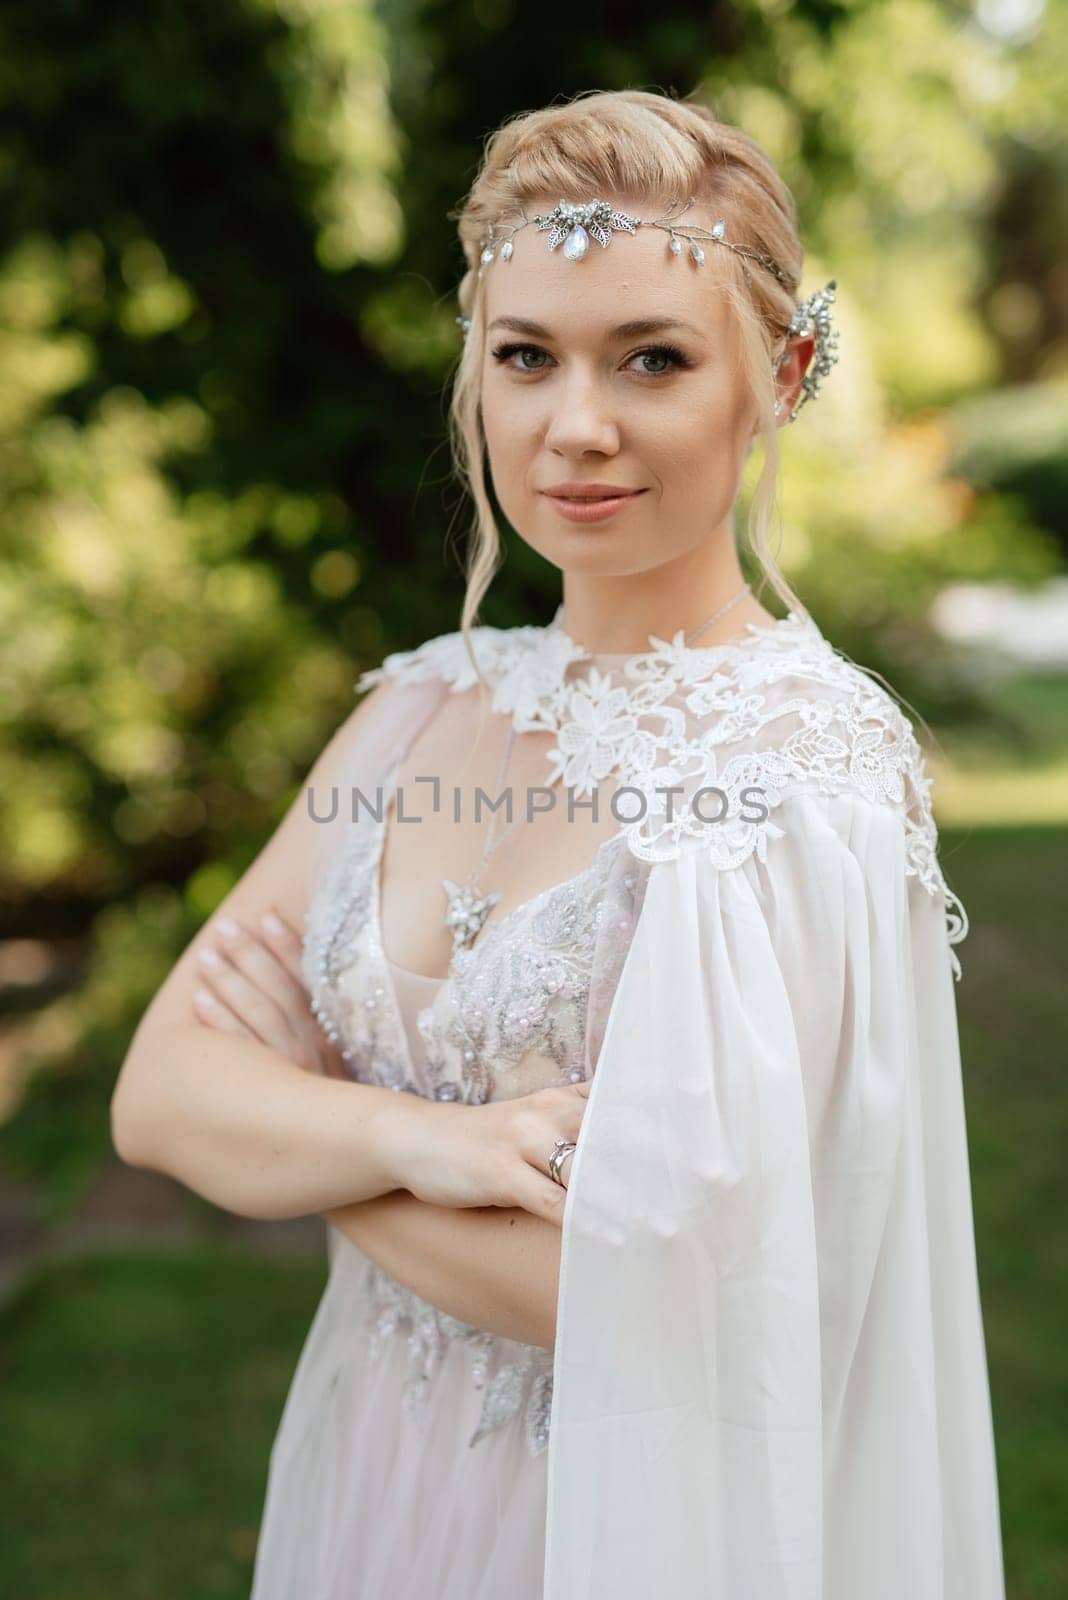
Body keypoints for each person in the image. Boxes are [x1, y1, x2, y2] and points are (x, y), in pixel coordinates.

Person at [110, 88, 1006, 1599]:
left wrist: (292, 1137)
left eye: (650, 358)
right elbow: (157, 1096)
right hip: (372, 1488)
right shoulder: (412, 711)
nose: (573, 426)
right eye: (525, 356)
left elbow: (646, 1295)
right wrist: (423, 1145)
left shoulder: (799, 771)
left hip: (620, 1530)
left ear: (778, 376)